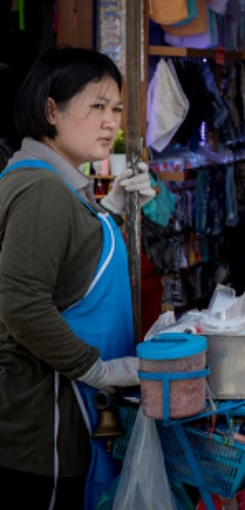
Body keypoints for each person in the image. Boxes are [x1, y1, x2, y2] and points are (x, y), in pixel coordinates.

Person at [0, 48, 155, 509]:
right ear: (52, 110)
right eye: (97, 107)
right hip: (43, 425)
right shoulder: (41, 189)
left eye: (117, 109)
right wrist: (98, 370)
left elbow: (68, 271)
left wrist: (111, 212)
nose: (111, 122)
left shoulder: (59, 185)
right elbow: (21, 300)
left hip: (71, 417)